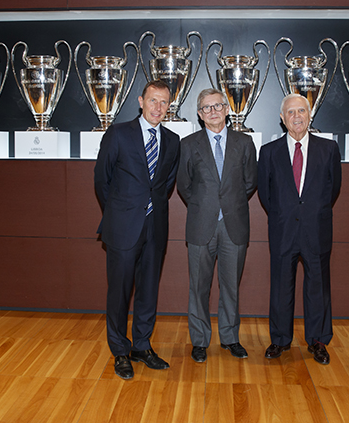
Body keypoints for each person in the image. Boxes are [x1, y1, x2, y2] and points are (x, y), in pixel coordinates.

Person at [94, 79, 180, 380]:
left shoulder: (172, 141)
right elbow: (101, 180)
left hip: (155, 228)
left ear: (169, 107)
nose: (158, 107)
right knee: (119, 292)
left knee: (147, 291)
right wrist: (120, 214)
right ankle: (120, 351)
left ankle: (142, 346)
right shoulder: (118, 134)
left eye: (164, 102)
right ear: (141, 101)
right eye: (153, 100)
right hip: (122, 228)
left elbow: (165, 185)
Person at [257, 94, 341, 365]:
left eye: (301, 111)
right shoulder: (268, 152)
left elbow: (333, 189)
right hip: (282, 229)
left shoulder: (328, 149)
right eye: (290, 112)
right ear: (282, 119)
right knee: (281, 286)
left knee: (318, 286)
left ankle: (318, 341)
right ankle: (280, 340)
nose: (296, 116)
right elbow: (266, 194)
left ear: (310, 114)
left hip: (316, 229)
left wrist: (311, 212)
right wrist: (285, 214)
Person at [176, 88, 257, 363]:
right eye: (206, 108)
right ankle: (199, 341)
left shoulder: (244, 143)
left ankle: (230, 338)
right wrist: (206, 205)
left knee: (230, 286)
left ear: (226, 109)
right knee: (198, 287)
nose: (213, 111)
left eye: (217, 106)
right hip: (201, 224)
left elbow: (249, 183)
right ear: (199, 114)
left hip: (234, 225)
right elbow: (184, 186)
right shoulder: (188, 144)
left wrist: (226, 204)